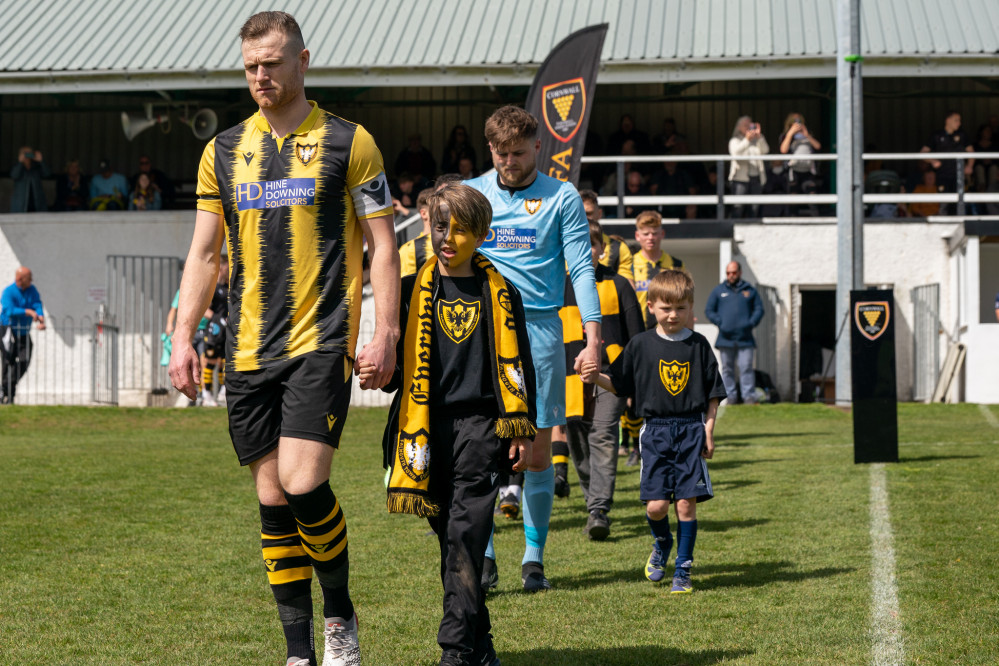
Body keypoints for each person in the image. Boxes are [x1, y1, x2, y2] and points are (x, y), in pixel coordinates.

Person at [168, 12, 399, 666]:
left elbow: (383, 247)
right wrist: (182, 337)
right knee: (272, 502)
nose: (260, 77)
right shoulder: (221, 152)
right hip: (246, 351)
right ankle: (298, 653)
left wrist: (383, 332)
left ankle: (340, 617)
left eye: (271, 63)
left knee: (303, 485)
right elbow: (204, 255)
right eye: (250, 67)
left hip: (320, 343)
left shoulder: (351, 143)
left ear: (303, 60)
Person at [383, 184, 534, 666]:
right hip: (422, 431)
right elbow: (393, 374)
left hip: (482, 428)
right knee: (454, 538)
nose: (447, 237)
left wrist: (520, 429)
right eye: (439, 225)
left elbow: (521, 366)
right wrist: (375, 367)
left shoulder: (502, 293)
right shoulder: (407, 290)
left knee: (466, 536)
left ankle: (454, 651)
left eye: (460, 228)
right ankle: (480, 643)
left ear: (482, 234)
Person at [467, 105, 601, 593]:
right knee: (478, 451)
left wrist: (593, 334)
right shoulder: (474, 194)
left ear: (538, 148)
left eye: (519, 154)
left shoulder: (561, 196)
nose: (509, 163)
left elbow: (581, 268)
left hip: (541, 335)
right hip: (482, 335)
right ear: (490, 150)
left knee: (539, 453)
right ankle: (483, 559)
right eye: (501, 154)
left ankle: (533, 558)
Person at [581, 269, 726, 594]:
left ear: (690, 308)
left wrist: (709, 429)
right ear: (651, 306)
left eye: (680, 308)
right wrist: (594, 377)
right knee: (656, 507)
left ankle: (683, 570)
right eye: (666, 308)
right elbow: (618, 384)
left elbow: (714, 393)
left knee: (686, 505)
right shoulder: (640, 345)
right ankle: (662, 543)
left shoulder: (699, 345)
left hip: (691, 429)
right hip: (655, 433)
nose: (673, 314)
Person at [554, 222, 643, 540]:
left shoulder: (619, 285)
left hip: (612, 376)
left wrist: (635, 384)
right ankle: (595, 505)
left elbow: (637, 338)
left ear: (601, 249)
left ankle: (598, 509)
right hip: (568, 376)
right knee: (578, 439)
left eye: (590, 244)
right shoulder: (557, 286)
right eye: (576, 244)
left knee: (603, 435)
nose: (585, 250)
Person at [705, 261, 765, 405]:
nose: (731, 275)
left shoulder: (750, 290)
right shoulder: (718, 291)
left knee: (746, 368)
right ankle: (730, 398)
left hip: (745, 339)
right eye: (728, 273)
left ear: (739, 273)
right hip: (725, 338)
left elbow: (759, 309)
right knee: (727, 369)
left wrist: (750, 323)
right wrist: (720, 322)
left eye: (733, 272)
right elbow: (709, 310)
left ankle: (749, 398)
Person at [632, 210, 685, 330]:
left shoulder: (676, 265)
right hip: (637, 332)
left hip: (668, 331)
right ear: (637, 236)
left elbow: (685, 300)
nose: (650, 238)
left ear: (662, 234)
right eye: (646, 234)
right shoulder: (628, 264)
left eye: (654, 233)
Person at [1, 267, 45, 404]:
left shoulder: (32, 290)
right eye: (28, 278)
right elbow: (10, 311)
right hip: (8, 331)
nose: (31, 280)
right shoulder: (9, 292)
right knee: (9, 362)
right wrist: (29, 312)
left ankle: (7, 386)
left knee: (24, 360)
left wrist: (41, 316)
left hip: (24, 332)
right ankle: (8, 396)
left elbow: (37, 303)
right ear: (20, 279)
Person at [578, 189, 634, 285]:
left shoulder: (619, 248)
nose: (585, 218)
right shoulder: (560, 246)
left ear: (599, 214)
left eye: (589, 213)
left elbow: (627, 288)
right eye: (579, 213)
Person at [921, 111, 974, 205]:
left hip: (959, 175)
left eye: (959, 121)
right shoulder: (937, 135)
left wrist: (969, 166)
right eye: (956, 120)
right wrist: (932, 161)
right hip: (942, 175)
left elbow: (971, 151)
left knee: (958, 204)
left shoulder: (962, 135)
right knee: (944, 204)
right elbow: (923, 152)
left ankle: (958, 220)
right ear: (948, 120)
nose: (959, 123)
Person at [777, 112, 822, 215]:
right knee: (793, 198)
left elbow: (817, 146)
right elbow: (783, 150)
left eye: (799, 121)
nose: (797, 124)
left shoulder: (808, 133)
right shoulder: (786, 135)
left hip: (808, 170)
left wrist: (807, 135)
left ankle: (816, 219)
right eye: (794, 122)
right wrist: (790, 134)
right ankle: (793, 219)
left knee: (812, 195)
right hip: (793, 171)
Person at [200, 257, 229, 407]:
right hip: (214, 332)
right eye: (227, 267)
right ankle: (207, 395)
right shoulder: (213, 289)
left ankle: (223, 392)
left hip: (226, 332)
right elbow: (204, 309)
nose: (229, 270)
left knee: (225, 362)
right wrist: (218, 320)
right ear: (221, 268)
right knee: (210, 362)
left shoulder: (228, 288)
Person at [728, 116, 769, 218]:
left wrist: (759, 137)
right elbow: (735, 153)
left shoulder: (757, 140)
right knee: (738, 207)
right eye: (745, 125)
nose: (748, 128)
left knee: (754, 207)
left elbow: (765, 150)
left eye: (750, 125)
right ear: (738, 127)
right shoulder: (735, 140)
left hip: (756, 178)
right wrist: (746, 140)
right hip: (740, 179)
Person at [398, 187, 434, 277]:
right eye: (439, 208)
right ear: (424, 213)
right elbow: (407, 288)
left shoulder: (455, 240)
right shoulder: (409, 250)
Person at [10, 146, 50, 212]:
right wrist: (20, 162)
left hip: (37, 204)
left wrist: (41, 161)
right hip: (21, 205)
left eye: (30, 153)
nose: (28, 155)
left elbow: (47, 174)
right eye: (25, 153)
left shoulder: (36, 167)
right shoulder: (17, 166)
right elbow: (14, 175)